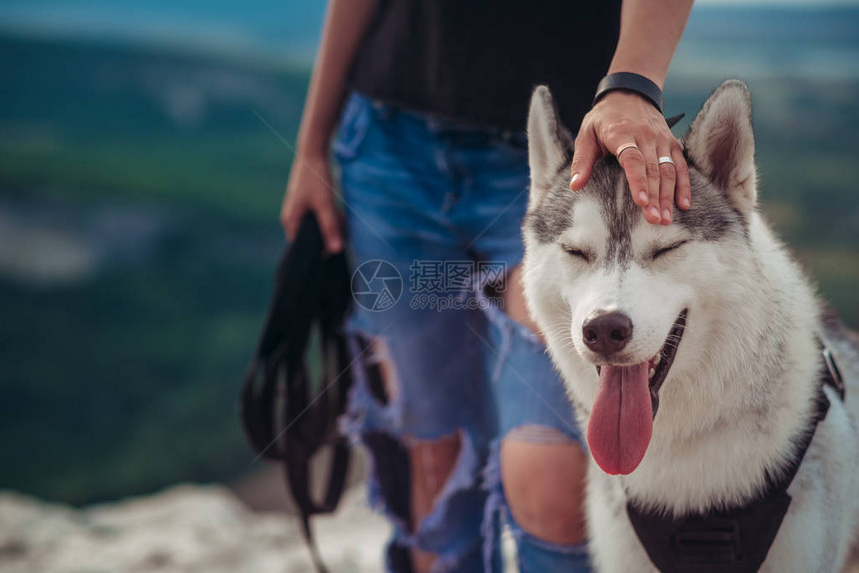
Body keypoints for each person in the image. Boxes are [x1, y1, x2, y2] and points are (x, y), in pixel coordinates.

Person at [280, 1, 693, 571]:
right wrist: (311, 144)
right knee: (432, 464)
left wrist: (634, 83)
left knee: (551, 490)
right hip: (388, 147)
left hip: (566, 160)